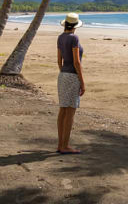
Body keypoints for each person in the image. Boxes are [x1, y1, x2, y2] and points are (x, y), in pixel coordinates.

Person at [56, 12, 85, 154]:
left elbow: (59, 61)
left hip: (62, 75)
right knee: (70, 112)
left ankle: (60, 144)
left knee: (63, 110)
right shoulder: (74, 38)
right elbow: (76, 61)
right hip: (72, 76)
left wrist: (64, 72)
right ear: (75, 26)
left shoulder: (60, 37)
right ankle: (65, 146)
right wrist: (82, 81)